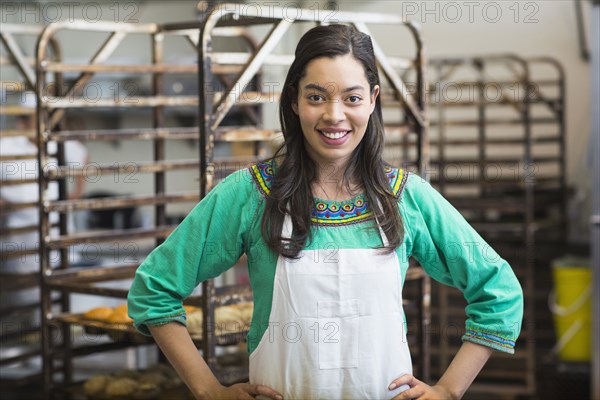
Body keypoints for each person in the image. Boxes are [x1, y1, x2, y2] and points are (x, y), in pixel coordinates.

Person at [128, 24, 523, 400]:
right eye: (316, 97)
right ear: (294, 100)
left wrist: (449, 389)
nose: (334, 115)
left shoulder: (406, 197)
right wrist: (208, 390)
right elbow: (155, 288)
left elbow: (498, 290)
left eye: (352, 98)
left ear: (373, 99)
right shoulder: (250, 195)